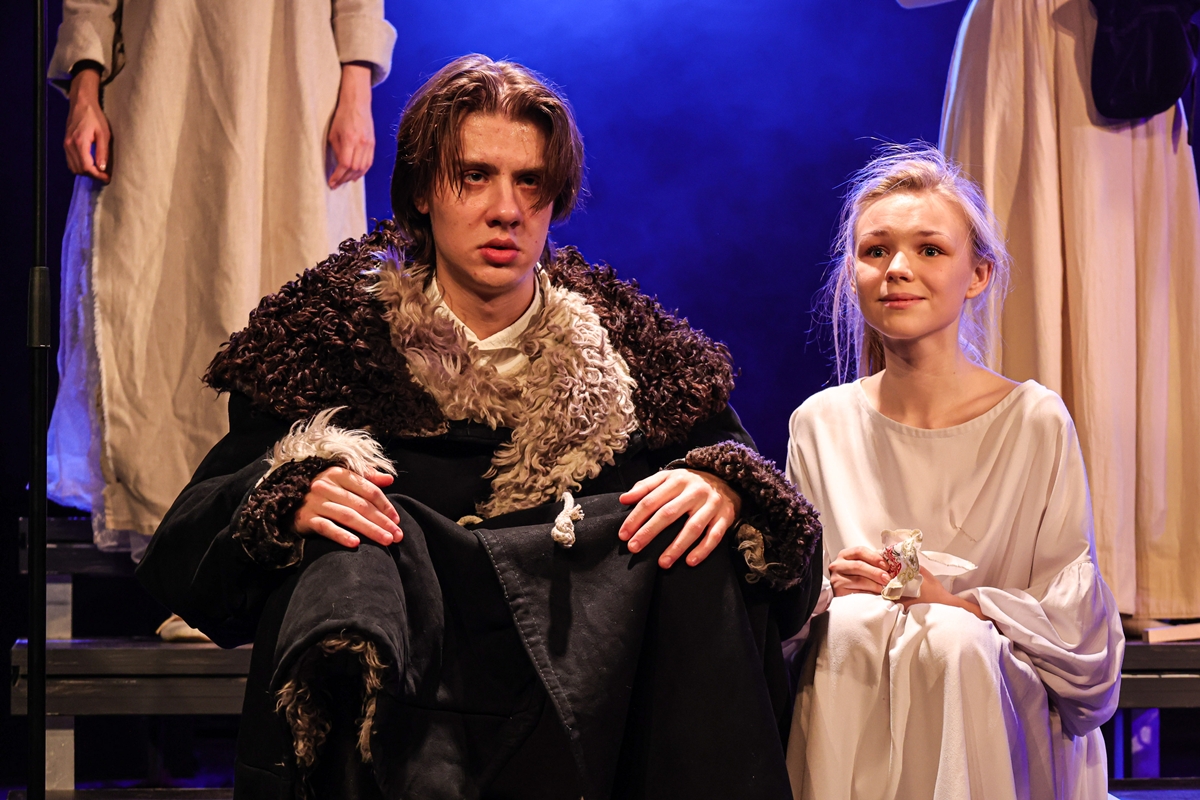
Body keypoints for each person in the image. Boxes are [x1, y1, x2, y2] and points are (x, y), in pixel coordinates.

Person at [135, 55, 823, 799]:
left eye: (530, 182)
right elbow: (184, 564)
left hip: (586, 744)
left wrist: (728, 490)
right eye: (474, 176)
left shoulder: (640, 367)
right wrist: (284, 499)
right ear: (422, 191)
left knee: (696, 537)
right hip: (391, 738)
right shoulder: (326, 352)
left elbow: (791, 567)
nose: (506, 210)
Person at [784, 145, 1122, 799]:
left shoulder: (1034, 420)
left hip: (995, 697)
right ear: (852, 272)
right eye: (876, 250)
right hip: (858, 689)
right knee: (849, 628)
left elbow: (1079, 639)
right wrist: (827, 591)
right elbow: (782, 623)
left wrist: (960, 605)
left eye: (930, 249)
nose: (897, 269)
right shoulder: (819, 424)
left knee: (953, 640)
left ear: (977, 274)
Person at [47, 0, 396, 560]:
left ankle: (288, 513)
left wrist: (356, 87)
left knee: (295, 269)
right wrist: (84, 85)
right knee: (162, 283)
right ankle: (181, 536)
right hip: (162, 73)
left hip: (296, 79)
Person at [899, 0, 1200, 620]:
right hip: (1017, 56)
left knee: (1118, 290)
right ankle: (1011, 573)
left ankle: (1135, 571)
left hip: (1126, 48)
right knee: (1016, 276)